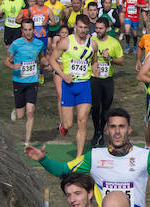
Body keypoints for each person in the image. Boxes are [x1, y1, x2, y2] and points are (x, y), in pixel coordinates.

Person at [50, 14, 99, 158]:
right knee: (68, 124)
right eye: (80, 27)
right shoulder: (66, 42)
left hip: (84, 86)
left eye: (85, 27)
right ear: (75, 27)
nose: (83, 30)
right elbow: (52, 59)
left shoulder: (93, 44)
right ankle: (62, 126)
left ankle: (79, 156)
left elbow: (94, 61)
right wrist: (63, 75)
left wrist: (95, 68)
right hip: (68, 86)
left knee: (82, 121)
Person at [4, 20, 46, 146]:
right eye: (25, 30)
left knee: (30, 111)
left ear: (34, 30)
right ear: (22, 31)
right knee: (20, 115)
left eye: (30, 29)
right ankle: (16, 110)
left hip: (32, 81)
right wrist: (12, 66)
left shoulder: (39, 44)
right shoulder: (16, 44)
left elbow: (42, 57)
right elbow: (6, 61)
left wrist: (44, 62)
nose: (28, 32)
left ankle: (27, 142)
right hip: (18, 81)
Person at [90, 17, 124, 147]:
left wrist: (109, 58)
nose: (98, 31)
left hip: (107, 79)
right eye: (96, 28)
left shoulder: (114, 43)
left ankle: (101, 130)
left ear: (107, 29)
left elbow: (121, 61)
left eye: (100, 28)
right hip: (94, 78)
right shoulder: (91, 41)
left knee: (106, 108)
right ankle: (96, 131)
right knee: (95, 107)